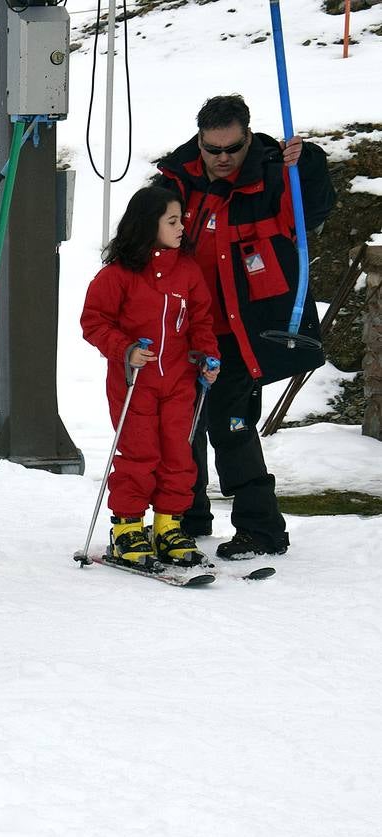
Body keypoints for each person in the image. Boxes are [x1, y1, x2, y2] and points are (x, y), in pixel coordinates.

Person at [155, 94, 336, 559]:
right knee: (181, 427)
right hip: (183, 330)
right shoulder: (177, 180)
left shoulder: (275, 175)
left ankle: (262, 529)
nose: (221, 159)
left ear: (247, 137)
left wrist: (308, 164)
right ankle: (185, 518)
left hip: (239, 336)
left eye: (231, 149)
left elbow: (310, 212)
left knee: (231, 427)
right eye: (212, 148)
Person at [82, 185, 221, 565]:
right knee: (140, 454)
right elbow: (94, 321)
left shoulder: (187, 271)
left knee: (179, 453)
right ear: (148, 225)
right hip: (134, 382)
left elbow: (200, 320)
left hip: (178, 380)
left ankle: (168, 525)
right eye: (172, 221)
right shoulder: (118, 275)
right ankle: (127, 527)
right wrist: (125, 349)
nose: (181, 229)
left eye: (182, 221)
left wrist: (208, 354)